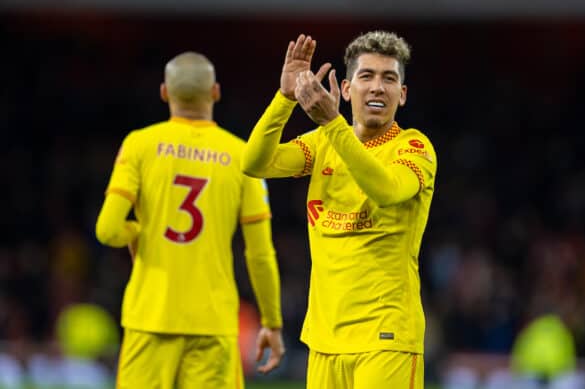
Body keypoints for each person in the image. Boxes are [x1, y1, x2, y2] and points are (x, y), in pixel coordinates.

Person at [242, 32, 437, 389]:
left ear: (402, 95)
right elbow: (256, 162)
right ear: (346, 89)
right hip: (324, 341)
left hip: (386, 339)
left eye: (389, 78)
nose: (377, 87)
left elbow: (388, 189)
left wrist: (332, 123)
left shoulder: (414, 147)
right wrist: (284, 98)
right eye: (367, 76)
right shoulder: (322, 144)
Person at [95, 52, 285, 389]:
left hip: (149, 319)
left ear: (164, 93)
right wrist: (271, 321)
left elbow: (107, 230)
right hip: (213, 323)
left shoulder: (139, 145)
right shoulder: (243, 156)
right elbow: (260, 253)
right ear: (215, 92)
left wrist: (137, 231)